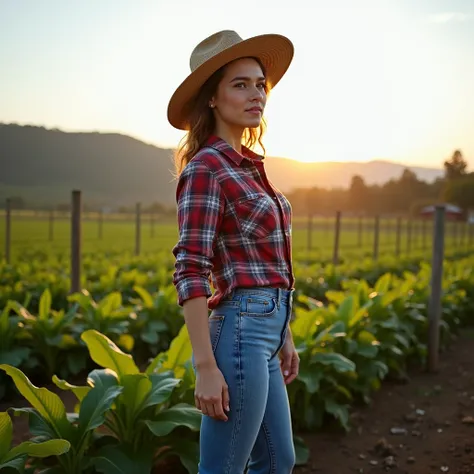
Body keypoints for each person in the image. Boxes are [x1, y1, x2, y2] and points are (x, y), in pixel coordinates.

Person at [168, 30, 299, 474]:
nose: (256, 93)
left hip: (267, 332)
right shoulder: (207, 168)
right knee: (223, 468)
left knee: (279, 461)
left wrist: (286, 337)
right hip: (240, 333)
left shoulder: (249, 167)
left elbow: (268, 265)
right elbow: (190, 268)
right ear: (212, 98)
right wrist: (205, 366)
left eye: (260, 83)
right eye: (240, 84)